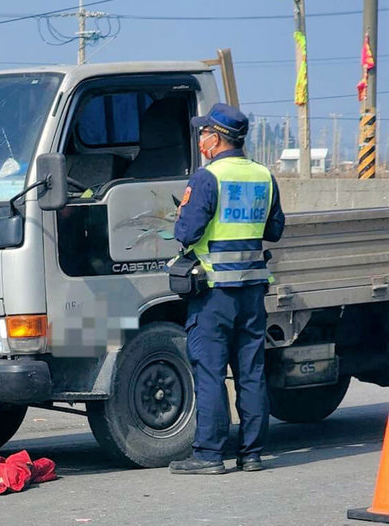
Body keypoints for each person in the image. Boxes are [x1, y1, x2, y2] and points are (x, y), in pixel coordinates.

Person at [169, 103, 285, 475]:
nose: (201, 138)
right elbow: (274, 231)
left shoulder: (207, 178)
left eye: (204, 133)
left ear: (215, 139)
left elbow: (186, 233)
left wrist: (181, 220)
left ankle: (209, 455)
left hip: (215, 293)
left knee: (211, 373)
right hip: (252, 292)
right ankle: (251, 454)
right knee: (251, 373)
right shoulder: (263, 175)